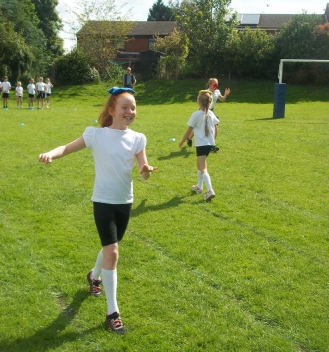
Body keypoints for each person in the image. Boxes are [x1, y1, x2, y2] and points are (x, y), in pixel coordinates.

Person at [38, 87, 157, 334]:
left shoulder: (138, 138)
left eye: (133, 107)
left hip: (124, 201)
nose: (130, 111)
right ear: (112, 109)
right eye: (125, 107)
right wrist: (50, 154)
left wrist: (146, 170)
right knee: (112, 251)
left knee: (110, 247)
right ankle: (112, 313)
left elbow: (143, 172)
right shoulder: (95, 135)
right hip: (102, 201)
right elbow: (67, 148)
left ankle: (94, 276)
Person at [179, 90, 219, 202]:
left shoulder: (196, 115)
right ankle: (199, 187)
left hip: (201, 145)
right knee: (199, 164)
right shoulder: (211, 113)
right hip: (209, 144)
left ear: (199, 102)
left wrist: (182, 142)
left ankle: (210, 190)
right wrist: (213, 140)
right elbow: (216, 127)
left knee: (203, 168)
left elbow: (189, 130)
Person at [186, 78, 231, 151]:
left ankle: (212, 145)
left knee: (215, 127)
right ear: (210, 84)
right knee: (199, 127)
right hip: (203, 110)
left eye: (217, 84)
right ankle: (189, 138)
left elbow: (222, 99)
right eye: (214, 84)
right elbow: (199, 101)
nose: (216, 86)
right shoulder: (206, 92)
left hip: (211, 112)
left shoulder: (217, 92)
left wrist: (225, 95)